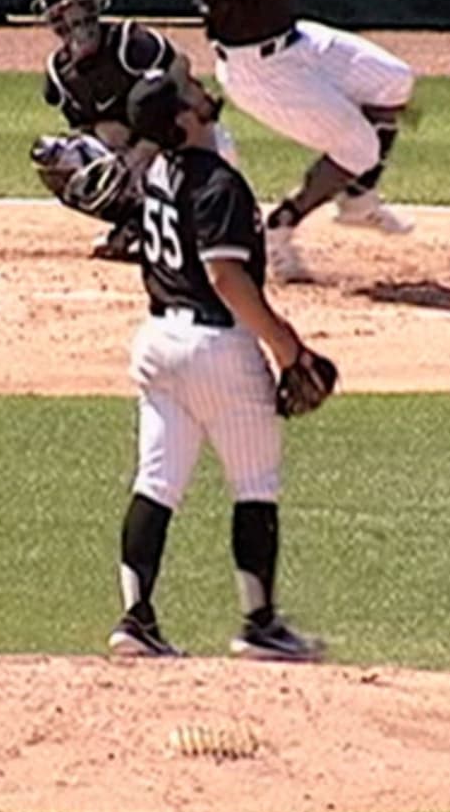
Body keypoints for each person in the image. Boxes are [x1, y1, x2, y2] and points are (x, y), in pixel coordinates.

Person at [106, 71, 328, 664]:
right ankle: (259, 625)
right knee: (255, 486)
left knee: (156, 483)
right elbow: (228, 279)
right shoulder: (218, 183)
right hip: (218, 348)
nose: (201, 89)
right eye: (190, 93)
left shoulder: (157, 172)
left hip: (158, 344)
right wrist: (288, 349)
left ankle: (136, 618)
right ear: (184, 121)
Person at [132, 0, 418, 285]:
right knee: (361, 148)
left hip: (296, 41)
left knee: (393, 81)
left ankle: (358, 198)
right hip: (260, 72)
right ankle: (282, 226)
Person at [24, 0, 211, 263]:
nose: (73, 12)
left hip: (185, 143)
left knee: (150, 94)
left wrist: (143, 149)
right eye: (62, 5)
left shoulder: (128, 41)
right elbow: (86, 130)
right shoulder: (59, 75)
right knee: (54, 154)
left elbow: (181, 68)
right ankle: (136, 222)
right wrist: (108, 163)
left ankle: (191, 213)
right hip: (131, 156)